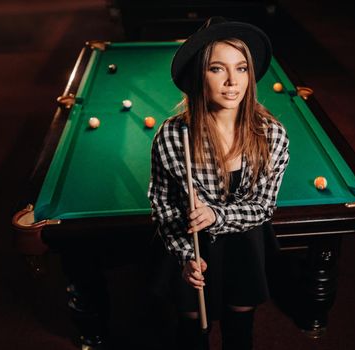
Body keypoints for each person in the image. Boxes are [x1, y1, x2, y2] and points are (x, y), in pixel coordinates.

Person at [148, 16, 290, 350]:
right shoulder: (172, 135)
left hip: (244, 241)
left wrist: (216, 216)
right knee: (192, 330)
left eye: (241, 68)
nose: (231, 82)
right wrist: (186, 257)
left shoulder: (272, 136)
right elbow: (163, 207)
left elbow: (262, 208)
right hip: (192, 243)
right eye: (217, 69)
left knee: (239, 327)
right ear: (201, 74)